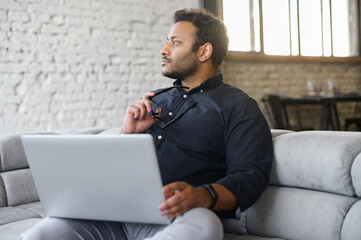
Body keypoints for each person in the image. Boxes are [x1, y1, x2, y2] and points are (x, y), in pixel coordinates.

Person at [21, 8, 273, 240]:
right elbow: (117, 171)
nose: (164, 50)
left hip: (178, 218)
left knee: (206, 225)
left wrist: (204, 195)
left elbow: (250, 175)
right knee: (47, 229)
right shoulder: (153, 100)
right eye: (167, 41)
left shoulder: (239, 107)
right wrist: (127, 134)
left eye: (175, 43)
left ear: (204, 51)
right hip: (117, 213)